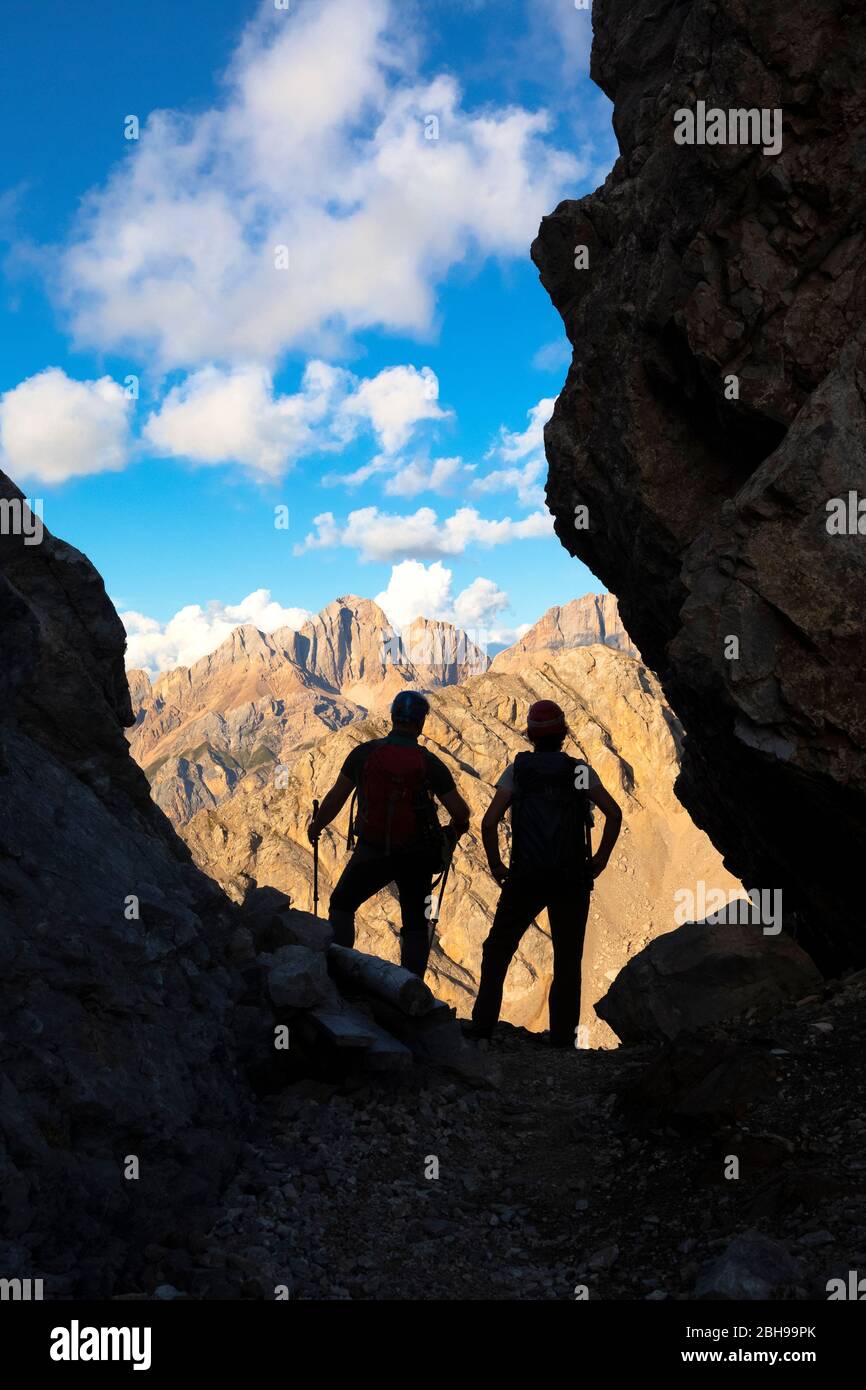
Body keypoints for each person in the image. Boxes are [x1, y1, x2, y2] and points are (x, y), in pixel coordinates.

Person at [466, 698, 622, 1047]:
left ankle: (481, 1027)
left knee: (498, 948)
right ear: (563, 733)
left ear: (530, 735)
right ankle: (563, 1039)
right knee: (568, 958)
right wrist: (600, 860)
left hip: (525, 876)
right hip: (572, 878)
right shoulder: (579, 770)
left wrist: (495, 865)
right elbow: (613, 813)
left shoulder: (518, 771)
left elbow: (489, 822)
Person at [307, 690, 470, 977]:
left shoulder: (364, 754)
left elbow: (335, 798)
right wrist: (455, 830)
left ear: (393, 717)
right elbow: (460, 812)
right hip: (416, 855)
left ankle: (341, 976)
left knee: (342, 905)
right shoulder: (428, 762)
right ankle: (411, 990)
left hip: (372, 849)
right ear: (420, 723)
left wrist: (317, 826)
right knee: (415, 924)